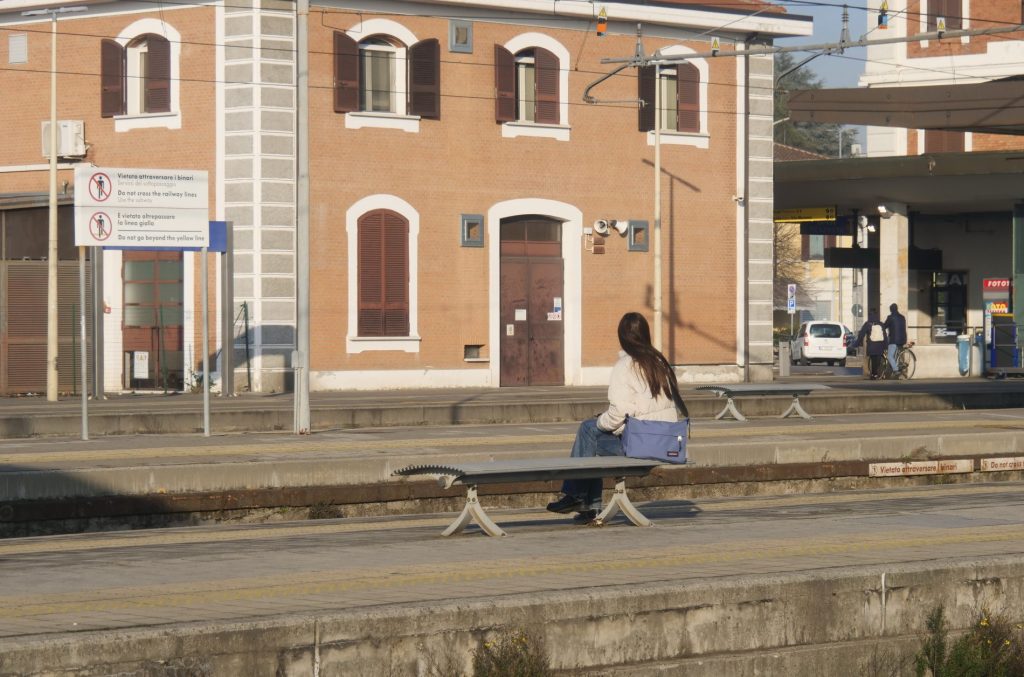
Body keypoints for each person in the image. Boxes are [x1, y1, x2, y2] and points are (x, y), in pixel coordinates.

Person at [546, 312, 686, 525]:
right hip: (666, 442)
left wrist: (601, 421)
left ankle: (578, 497)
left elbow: (618, 413)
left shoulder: (626, 366)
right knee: (591, 434)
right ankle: (586, 506)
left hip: (643, 444)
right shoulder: (660, 362)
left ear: (622, 337)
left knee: (588, 430)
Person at [855, 310, 888, 379]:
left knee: (873, 360)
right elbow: (885, 336)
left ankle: (874, 374)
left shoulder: (867, 324)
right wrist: (885, 346)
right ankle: (876, 374)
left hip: (872, 345)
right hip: (880, 345)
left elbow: (861, 335)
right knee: (878, 360)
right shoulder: (881, 324)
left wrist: (856, 343)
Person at [883, 303, 908, 373]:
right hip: (903, 339)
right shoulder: (902, 317)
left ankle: (895, 370)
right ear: (897, 309)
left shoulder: (890, 317)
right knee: (896, 354)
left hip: (894, 340)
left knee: (889, 356)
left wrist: (880, 326)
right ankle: (899, 364)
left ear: (890, 310)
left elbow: (884, 326)